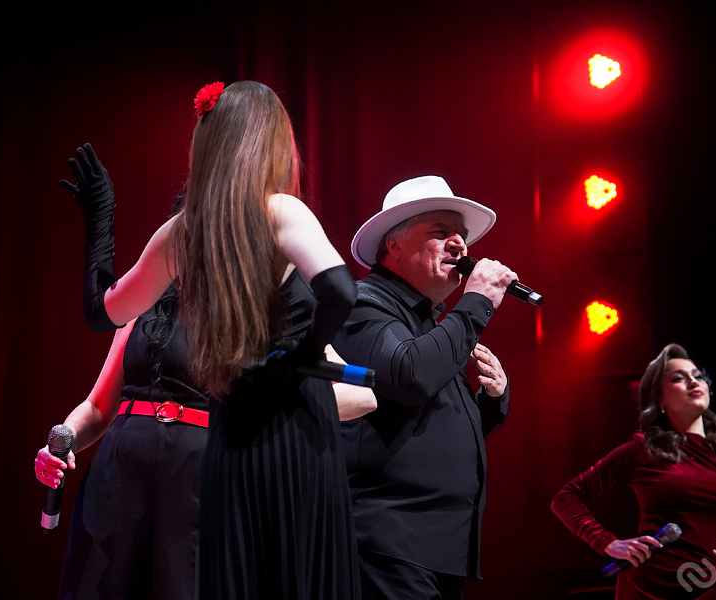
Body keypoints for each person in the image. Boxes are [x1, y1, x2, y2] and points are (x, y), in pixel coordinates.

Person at [63, 80, 362, 599]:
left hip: (230, 433)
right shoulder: (279, 209)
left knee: (236, 577)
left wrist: (101, 219)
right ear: (271, 142)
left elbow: (99, 312)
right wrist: (299, 358)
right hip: (292, 425)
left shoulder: (181, 232)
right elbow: (339, 291)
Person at [331, 175, 515, 599]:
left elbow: (431, 430)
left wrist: (490, 401)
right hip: (388, 543)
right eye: (440, 231)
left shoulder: (430, 324)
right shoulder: (362, 304)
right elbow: (410, 377)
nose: (459, 244)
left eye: (461, 235)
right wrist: (477, 302)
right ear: (393, 246)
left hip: (434, 549)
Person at [551, 343, 716, 599]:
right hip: (646, 588)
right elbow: (566, 497)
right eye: (678, 378)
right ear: (660, 399)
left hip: (715, 588)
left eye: (697, 376)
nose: (693, 381)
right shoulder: (643, 449)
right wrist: (607, 542)